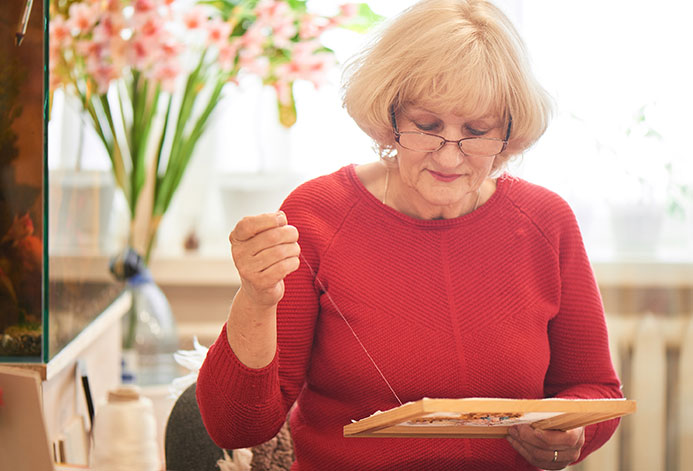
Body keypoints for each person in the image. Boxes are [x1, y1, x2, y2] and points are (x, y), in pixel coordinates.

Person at [196, 0, 624, 469]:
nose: (448, 157)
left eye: (477, 131)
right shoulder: (316, 215)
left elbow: (597, 390)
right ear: (391, 115)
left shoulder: (546, 220)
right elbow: (237, 429)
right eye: (427, 126)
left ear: (509, 132)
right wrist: (256, 298)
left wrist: (572, 433)